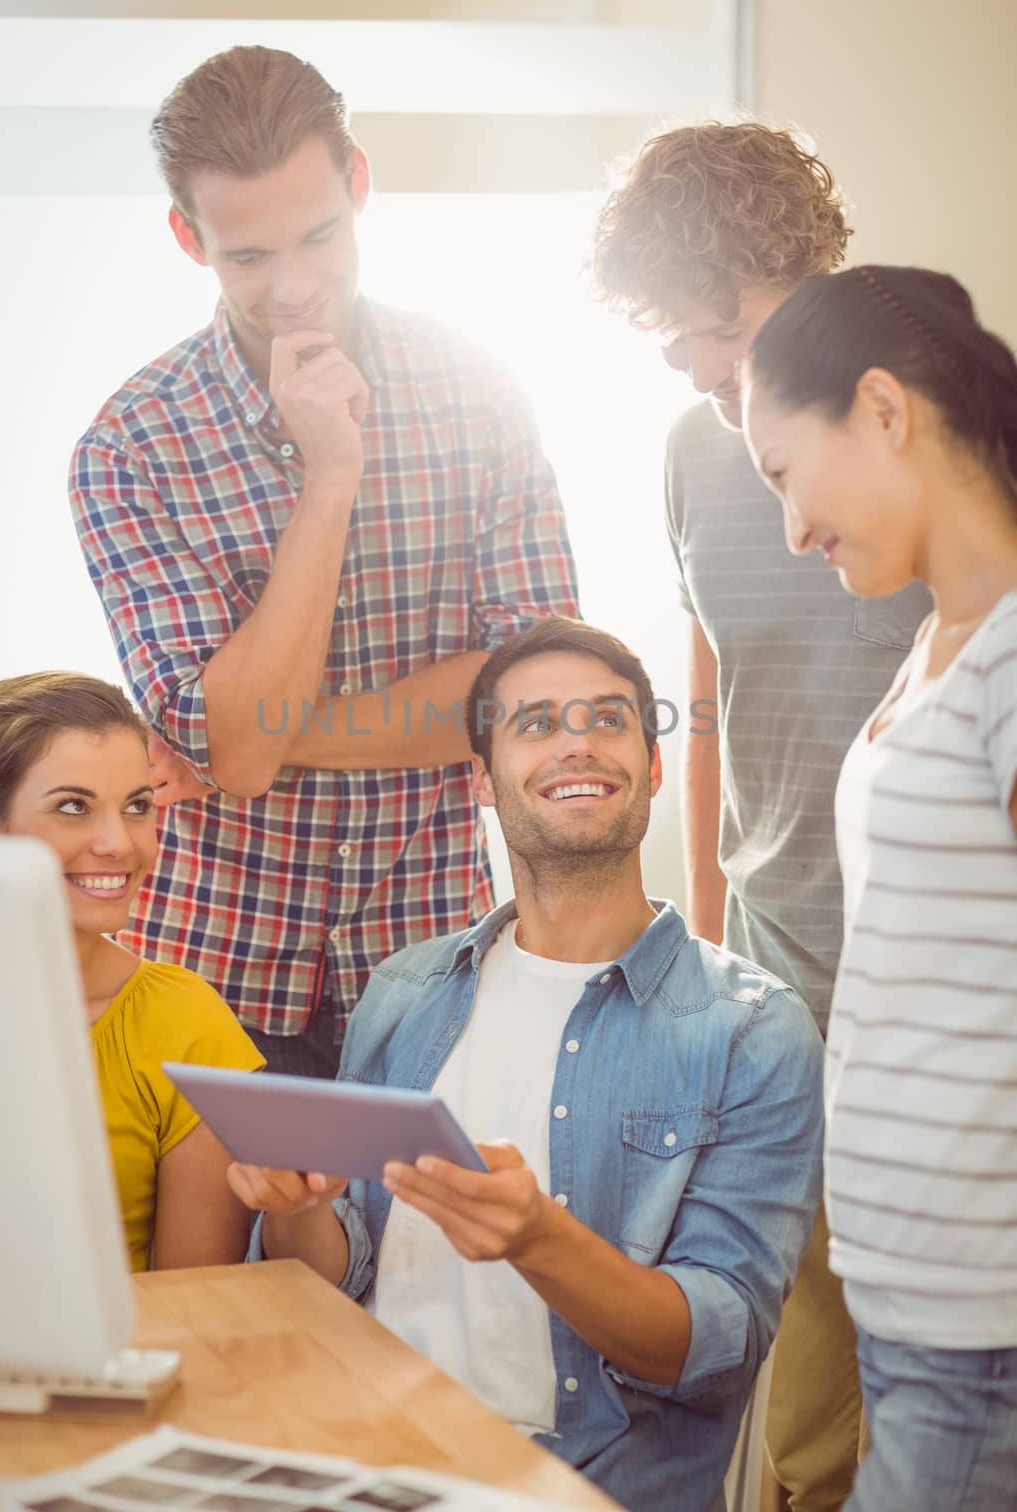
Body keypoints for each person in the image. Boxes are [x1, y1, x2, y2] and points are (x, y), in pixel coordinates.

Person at [226, 617, 825, 1512]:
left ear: (653, 767)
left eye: (607, 720)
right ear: (482, 779)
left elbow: (713, 1348)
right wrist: (297, 1211)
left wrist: (537, 1238)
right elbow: (337, 1275)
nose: (575, 742)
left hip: (576, 1487)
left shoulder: (752, 1031)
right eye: (537, 724)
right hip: (367, 1457)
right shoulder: (403, 991)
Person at [69, 45, 579, 1080]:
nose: (294, 286)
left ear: (357, 182)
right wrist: (330, 476)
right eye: (248, 257)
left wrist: (254, 739)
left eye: (317, 236)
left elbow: (536, 688)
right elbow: (232, 738)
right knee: (218, 1254)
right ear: (188, 237)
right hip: (214, 971)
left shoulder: (478, 391)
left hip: (431, 965)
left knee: (421, 1248)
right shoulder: (129, 448)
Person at [593, 122, 931, 1510]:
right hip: (778, 968)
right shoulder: (691, 451)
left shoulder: (938, 432)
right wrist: (709, 954)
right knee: (801, 1392)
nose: (718, 385)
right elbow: (714, 686)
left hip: (936, 976)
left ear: (813, 277)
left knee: (932, 1364)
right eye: (683, 350)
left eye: (728, 332)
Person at [742, 264, 1017, 1512]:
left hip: (982, 1316)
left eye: (783, 471)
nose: (791, 528)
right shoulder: (939, 642)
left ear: (882, 409)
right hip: (915, 1303)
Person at [0, 671, 264, 1272]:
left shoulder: (183, 1024)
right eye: (73, 807)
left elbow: (194, 1308)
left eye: (137, 806)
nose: (119, 843)